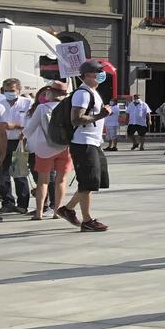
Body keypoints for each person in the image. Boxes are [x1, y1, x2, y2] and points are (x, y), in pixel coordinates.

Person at [56, 60, 111, 232]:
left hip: (93, 142)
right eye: (99, 71)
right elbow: (76, 119)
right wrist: (101, 115)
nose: (102, 74)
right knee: (88, 182)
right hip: (83, 143)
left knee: (93, 181)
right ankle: (86, 220)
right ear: (87, 75)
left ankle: (68, 209)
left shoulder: (93, 92)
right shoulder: (83, 94)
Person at [24, 81, 70, 221]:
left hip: (44, 149)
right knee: (61, 181)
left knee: (42, 181)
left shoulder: (42, 108)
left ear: (50, 92)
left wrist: (23, 137)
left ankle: (39, 213)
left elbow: (30, 129)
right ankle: (57, 212)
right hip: (65, 148)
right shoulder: (69, 108)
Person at [0, 78, 33, 214]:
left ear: (19, 90)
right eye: (6, 91)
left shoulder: (27, 103)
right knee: (2, 174)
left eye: (12, 91)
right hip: (2, 142)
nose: (9, 93)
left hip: (20, 142)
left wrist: (16, 126)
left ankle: (22, 204)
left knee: (19, 174)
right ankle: (7, 202)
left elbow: (32, 124)